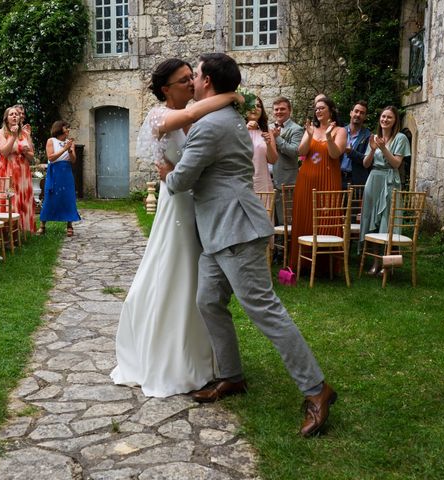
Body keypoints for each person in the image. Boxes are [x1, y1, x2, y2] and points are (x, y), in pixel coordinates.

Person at [157, 53, 336, 437]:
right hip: (217, 233)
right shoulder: (220, 117)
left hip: (237, 229)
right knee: (208, 300)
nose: (194, 80)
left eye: (198, 75)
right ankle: (233, 376)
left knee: (265, 310)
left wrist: (167, 175)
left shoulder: (211, 125)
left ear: (209, 82)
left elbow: (184, 178)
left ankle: (317, 389)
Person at [111, 58, 241, 398]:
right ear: (166, 89)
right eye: (183, 80)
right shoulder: (161, 116)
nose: (190, 83)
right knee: (175, 273)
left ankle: (202, 356)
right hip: (176, 205)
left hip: (200, 205)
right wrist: (232, 96)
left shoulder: (201, 115)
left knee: (199, 282)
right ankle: (169, 358)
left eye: (191, 78)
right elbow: (188, 117)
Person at [289, 97, 347, 271]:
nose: (318, 111)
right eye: (316, 109)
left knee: (326, 219)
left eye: (322, 108)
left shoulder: (340, 131)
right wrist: (308, 135)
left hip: (328, 181)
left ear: (331, 110)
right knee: (305, 217)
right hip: (306, 180)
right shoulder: (311, 129)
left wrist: (328, 136)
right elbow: (301, 152)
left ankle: (325, 265)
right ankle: (304, 263)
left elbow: (335, 154)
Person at [359, 106, 411, 274]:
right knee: (372, 222)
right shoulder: (374, 138)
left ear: (395, 120)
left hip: (390, 182)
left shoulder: (401, 138)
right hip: (373, 180)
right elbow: (366, 164)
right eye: (383, 116)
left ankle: (387, 263)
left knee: (387, 222)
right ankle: (375, 262)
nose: (385, 120)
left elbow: (396, 163)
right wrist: (373, 149)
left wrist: (383, 149)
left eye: (389, 117)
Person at [0, 106, 36, 233]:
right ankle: (10, 231)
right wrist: (13, 136)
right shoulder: (1, 133)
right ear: (6, 119)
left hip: (23, 171)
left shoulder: (25, 134)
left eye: (16, 114)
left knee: (23, 197)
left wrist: (25, 152)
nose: (14, 116)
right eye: (11, 114)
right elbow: (4, 152)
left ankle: (24, 229)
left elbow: (31, 156)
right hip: (8, 170)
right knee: (11, 198)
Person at [38, 121, 81, 237]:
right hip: (54, 171)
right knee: (50, 196)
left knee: (68, 197)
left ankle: (69, 225)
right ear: (59, 129)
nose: (68, 130)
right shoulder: (51, 141)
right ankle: (42, 225)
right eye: (66, 128)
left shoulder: (70, 143)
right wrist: (63, 149)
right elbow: (51, 158)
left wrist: (70, 150)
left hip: (66, 171)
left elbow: (73, 160)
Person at [270, 97, 303, 225]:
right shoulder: (268, 127)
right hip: (268, 180)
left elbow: (295, 152)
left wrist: (277, 138)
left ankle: (287, 245)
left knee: (286, 222)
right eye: (276, 109)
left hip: (286, 181)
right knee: (270, 220)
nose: (279, 112)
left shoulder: (297, 129)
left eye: (282, 109)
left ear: (289, 110)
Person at [245, 96, 277, 193]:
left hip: (262, 182)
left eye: (258, 106)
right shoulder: (238, 128)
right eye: (251, 105)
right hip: (243, 181)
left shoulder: (266, 130)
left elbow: (273, 160)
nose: (255, 108)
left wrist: (268, 144)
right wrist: (244, 129)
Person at [340, 101, 371, 189]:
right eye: (356, 111)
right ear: (351, 113)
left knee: (354, 203)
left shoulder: (368, 136)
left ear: (365, 117)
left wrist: (351, 152)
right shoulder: (340, 132)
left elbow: (368, 161)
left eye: (362, 113)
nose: (358, 114)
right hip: (337, 177)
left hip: (355, 181)